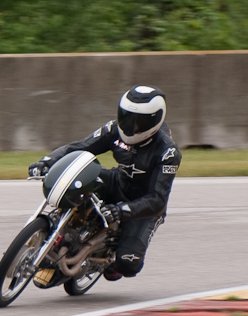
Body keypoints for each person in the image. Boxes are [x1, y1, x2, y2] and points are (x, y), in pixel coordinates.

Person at [28, 85, 181, 281]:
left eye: (138, 121)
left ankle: (106, 260)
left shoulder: (168, 152)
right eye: (125, 116)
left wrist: (121, 210)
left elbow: (158, 200)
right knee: (77, 175)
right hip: (117, 182)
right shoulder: (113, 129)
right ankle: (63, 227)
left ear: (154, 120)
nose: (129, 125)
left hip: (144, 206)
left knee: (128, 264)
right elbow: (79, 148)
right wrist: (47, 161)